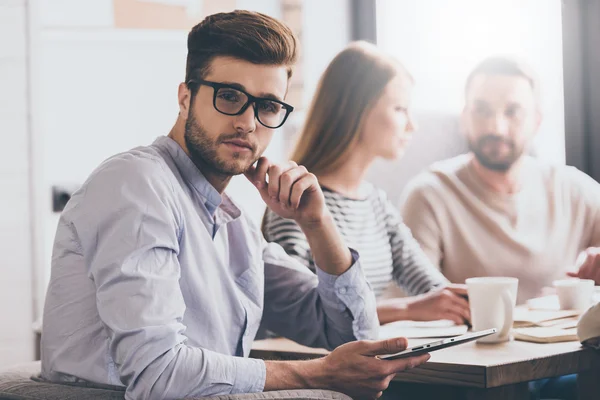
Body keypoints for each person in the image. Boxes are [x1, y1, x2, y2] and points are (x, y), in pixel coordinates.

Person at [40, 11, 430, 400]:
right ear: (185, 97)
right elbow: (157, 373)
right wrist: (318, 373)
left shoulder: (232, 224)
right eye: (229, 96)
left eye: (269, 106)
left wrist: (318, 222)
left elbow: (354, 337)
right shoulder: (136, 185)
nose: (248, 122)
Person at [262, 41, 470, 326]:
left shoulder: (375, 203)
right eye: (400, 109)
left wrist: (471, 301)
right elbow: (300, 314)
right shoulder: (294, 200)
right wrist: (407, 310)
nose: (412, 125)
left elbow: (433, 289)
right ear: (356, 110)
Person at [401, 56, 600, 305]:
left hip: (567, 342)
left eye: (513, 112)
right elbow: (413, 308)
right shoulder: (429, 195)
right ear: (464, 118)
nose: (496, 128)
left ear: (536, 121)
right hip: (472, 341)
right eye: (481, 111)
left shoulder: (572, 189)